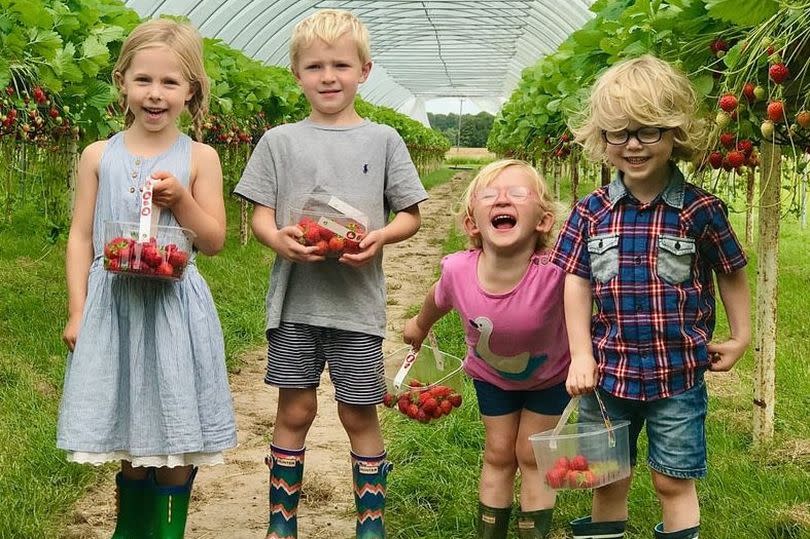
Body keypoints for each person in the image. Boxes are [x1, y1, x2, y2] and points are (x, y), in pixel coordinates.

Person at [232, 9, 428, 539]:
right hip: (295, 304)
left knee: (359, 412)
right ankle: (281, 524)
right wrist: (279, 240)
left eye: (341, 65)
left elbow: (410, 214)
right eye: (315, 66)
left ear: (364, 70)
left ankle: (370, 525)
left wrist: (380, 237)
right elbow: (260, 215)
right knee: (294, 409)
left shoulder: (384, 139)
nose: (328, 76)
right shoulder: (279, 141)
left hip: (357, 306)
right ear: (296, 72)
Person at [551, 55, 751, 539]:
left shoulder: (702, 210)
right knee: (606, 478)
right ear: (602, 139)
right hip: (607, 373)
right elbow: (575, 280)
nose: (633, 145)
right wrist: (580, 354)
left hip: (677, 375)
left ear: (675, 134)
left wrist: (741, 335)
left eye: (649, 131)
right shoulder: (591, 211)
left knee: (672, 480)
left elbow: (731, 271)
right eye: (619, 134)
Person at [57, 18, 237, 539]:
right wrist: (77, 308)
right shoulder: (98, 155)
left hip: (174, 309)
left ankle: (167, 530)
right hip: (114, 307)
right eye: (143, 80)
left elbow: (214, 240)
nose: (155, 94)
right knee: (129, 427)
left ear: (192, 91)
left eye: (170, 83)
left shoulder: (200, 158)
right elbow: (81, 238)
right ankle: (129, 531)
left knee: (175, 429)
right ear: (123, 82)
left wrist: (181, 199)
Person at [403, 159, 571, 539]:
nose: (502, 201)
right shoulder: (458, 270)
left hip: (552, 377)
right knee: (498, 453)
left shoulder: (555, 271)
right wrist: (419, 323)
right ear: (472, 223)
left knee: (531, 455)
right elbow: (438, 297)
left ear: (543, 221)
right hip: (491, 378)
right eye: (490, 195)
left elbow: (587, 305)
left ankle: (533, 532)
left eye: (517, 194)